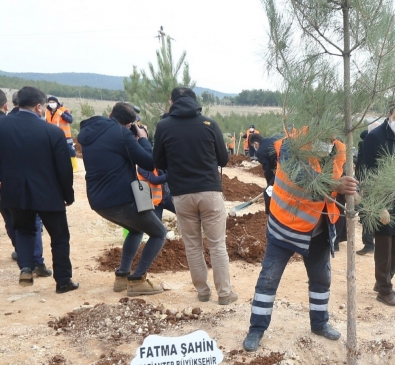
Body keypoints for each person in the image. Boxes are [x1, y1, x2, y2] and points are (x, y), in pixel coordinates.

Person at [241, 134, 358, 352]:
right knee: (268, 279)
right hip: (285, 227)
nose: (331, 136)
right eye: (327, 129)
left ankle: (320, 323)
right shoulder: (291, 144)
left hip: (318, 229)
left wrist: (356, 194)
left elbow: (346, 181)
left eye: (334, 132)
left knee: (321, 279)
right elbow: (302, 178)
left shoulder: (340, 149)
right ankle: (256, 329)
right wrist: (335, 184)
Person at [153, 87, 237, 305]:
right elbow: (224, 159)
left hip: (181, 195)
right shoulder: (209, 124)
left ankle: (203, 292)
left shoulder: (163, 127)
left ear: (172, 102)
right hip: (209, 191)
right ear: (194, 101)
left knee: (192, 246)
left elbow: (159, 162)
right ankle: (225, 294)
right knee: (217, 245)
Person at [78, 102, 166, 296]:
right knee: (159, 232)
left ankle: (122, 277)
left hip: (98, 200)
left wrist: (129, 137)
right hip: (121, 199)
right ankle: (137, 280)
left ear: (110, 114)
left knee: (135, 230)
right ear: (129, 124)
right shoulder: (122, 134)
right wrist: (142, 139)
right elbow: (150, 163)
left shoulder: (90, 132)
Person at [0, 86, 78, 292]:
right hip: (49, 194)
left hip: (14, 192)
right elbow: (64, 168)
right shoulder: (52, 131)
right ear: (38, 106)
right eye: (43, 106)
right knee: (59, 237)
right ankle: (63, 281)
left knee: (24, 230)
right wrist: (68, 195)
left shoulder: (2, 126)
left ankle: (26, 267)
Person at [358, 100, 395, 308]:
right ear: (388, 114)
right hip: (379, 199)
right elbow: (367, 173)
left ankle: (384, 281)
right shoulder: (375, 137)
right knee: (384, 246)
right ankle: (384, 291)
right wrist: (378, 205)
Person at [250, 132, 284, 214]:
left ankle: (269, 214)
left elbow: (267, 169)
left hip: (281, 170)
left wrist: (269, 184)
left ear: (256, 143)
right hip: (286, 165)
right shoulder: (272, 139)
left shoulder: (260, 151)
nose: (255, 148)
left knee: (268, 193)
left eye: (254, 146)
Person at [45, 96, 78, 172]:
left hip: (65, 135)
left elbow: (70, 120)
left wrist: (62, 114)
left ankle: (74, 166)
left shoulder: (63, 110)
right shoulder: (47, 111)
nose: (51, 104)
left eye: (53, 102)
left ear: (57, 103)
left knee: (70, 149)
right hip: (52, 135)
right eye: (50, 102)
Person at [355, 129, 375, 255]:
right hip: (375, 183)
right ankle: (369, 243)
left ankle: (368, 244)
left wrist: (360, 182)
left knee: (366, 213)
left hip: (366, 183)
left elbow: (362, 165)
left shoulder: (364, 144)